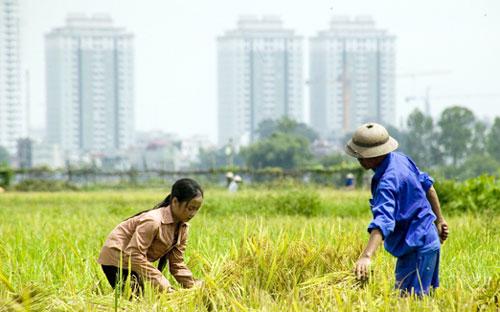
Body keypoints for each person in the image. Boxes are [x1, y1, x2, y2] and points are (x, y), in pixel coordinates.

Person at [345, 123, 449, 296]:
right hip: (427, 241)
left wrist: (366, 256)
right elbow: (428, 188)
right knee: (418, 300)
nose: (359, 159)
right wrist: (440, 220)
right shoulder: (401, 159)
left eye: (360, 155)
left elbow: (384, 221)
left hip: (417, 249)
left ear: (372, 156)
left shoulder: (387, 182)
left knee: (408, 301)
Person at [98, 178, 204, 294]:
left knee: (149, 296)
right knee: (136, 299)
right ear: (175, 202)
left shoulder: (183, 228)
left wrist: (194, 286)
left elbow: (176, 263)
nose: (192, 214)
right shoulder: (153, 221)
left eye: (196, 209)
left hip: (132, 260)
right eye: (190, 208)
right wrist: (164, 285)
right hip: (116, 258)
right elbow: (134, 255)